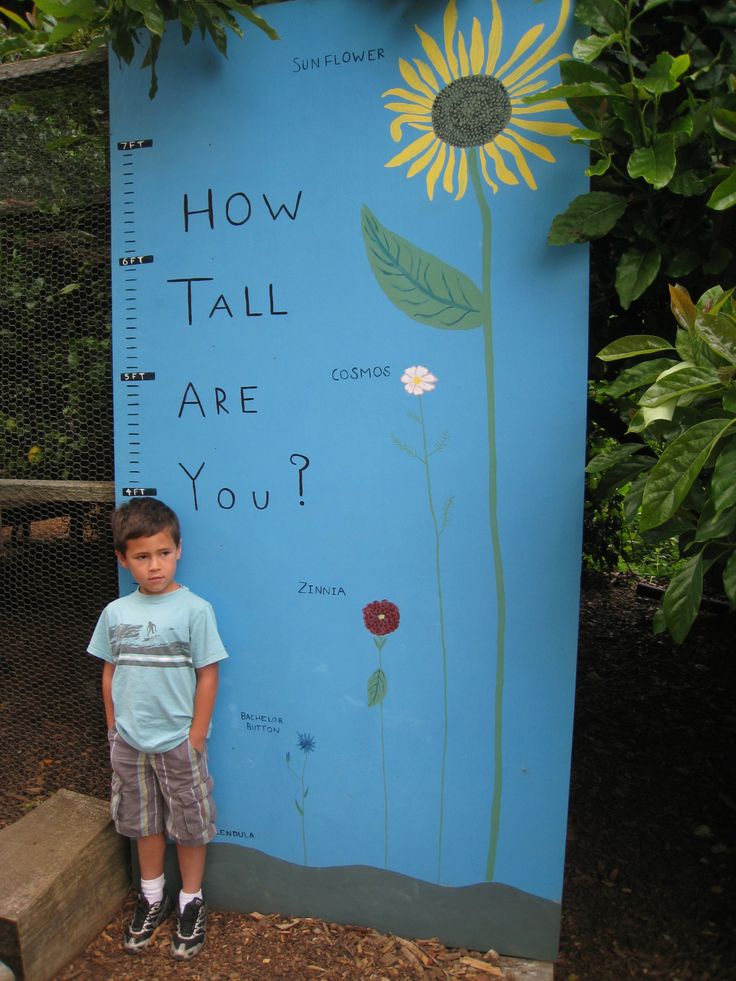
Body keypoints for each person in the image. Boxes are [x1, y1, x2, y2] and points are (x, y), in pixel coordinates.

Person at [88, 497, 228, 960]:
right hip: (129, 741)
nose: (154, 566)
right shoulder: (116, 613)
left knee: (188, 824)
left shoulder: (196, 610)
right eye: (142, 556)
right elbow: (110, 671)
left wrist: (196, 735)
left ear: (179, 550)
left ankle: (191, 899)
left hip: (179, 742)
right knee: (142, 820)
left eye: (163, 553)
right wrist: (113, 728)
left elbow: (208, 673)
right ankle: (152, 896)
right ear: (122, 559)